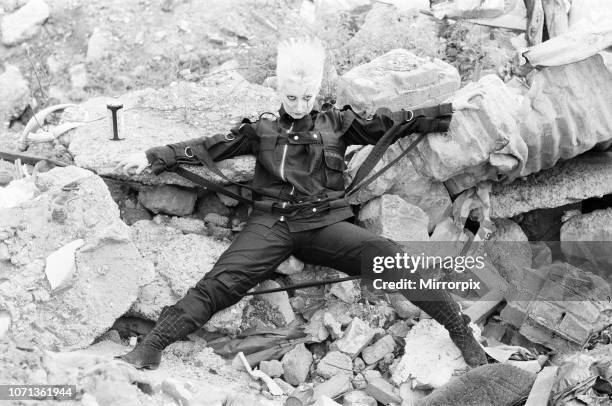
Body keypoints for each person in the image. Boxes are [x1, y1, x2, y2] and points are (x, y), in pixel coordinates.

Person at [114, 37, 487, 370]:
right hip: (270, 226)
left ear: (315, 91)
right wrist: (154, 155)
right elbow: (211, 145)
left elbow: (390, 123)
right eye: (291, 97)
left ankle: (459, 330)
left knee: (390, 257)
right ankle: (151, 347)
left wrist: (447, 109)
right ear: (279, 90)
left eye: (305, 97)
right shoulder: (260, 130)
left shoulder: (337, 122)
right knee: (219, 284)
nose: (298, 105)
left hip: (325, 225)